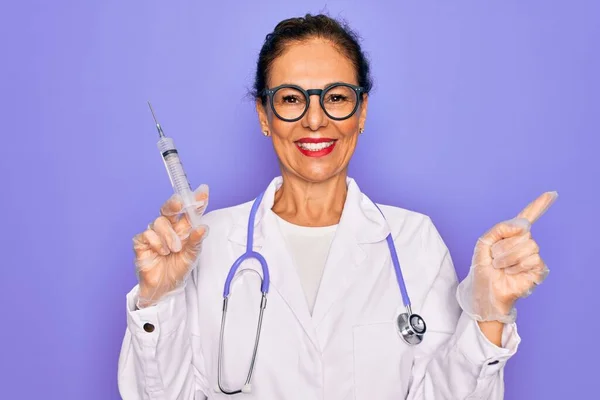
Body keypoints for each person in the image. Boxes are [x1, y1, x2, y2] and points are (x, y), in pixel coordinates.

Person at [117, 13, 557, 400]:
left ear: (361, 111)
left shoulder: (413, 240)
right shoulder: (201, 243)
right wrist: (158, 299)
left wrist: (488, 315)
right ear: (263, 116)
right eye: (291, 98)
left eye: (337, 97)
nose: (314, 118)